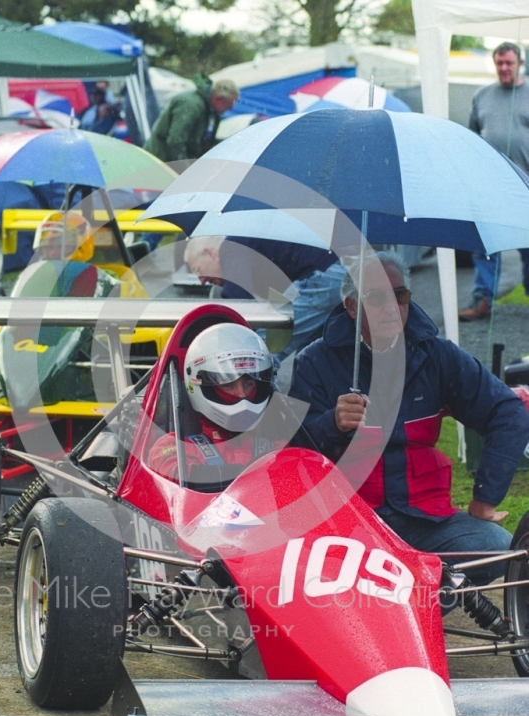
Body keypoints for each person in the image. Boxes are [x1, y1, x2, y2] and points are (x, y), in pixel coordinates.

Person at [290, 251, 529, 586]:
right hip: (346, 523)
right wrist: (331, 423)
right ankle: (408, 599)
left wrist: (485, 496)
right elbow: (289, 453)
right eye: (376, 297)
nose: (391, 307)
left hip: (425, 519)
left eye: (399, 295)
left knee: (496, 548)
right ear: (351, 307)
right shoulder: (313, 362)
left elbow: (508, 411)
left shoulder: (437, 354)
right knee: (301, 569)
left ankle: (418, 604)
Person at [184, 235, 345, 366]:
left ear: (210, 253)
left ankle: (264, 402)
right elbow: (272, 300)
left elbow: (238, 303)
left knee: (259, 350)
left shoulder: (230, 247)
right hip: (336, 273)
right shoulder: (249, 249)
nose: (201, 280)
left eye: (198, 270)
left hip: (323, 278)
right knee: (312, 357)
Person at [148, 323, 276, 482]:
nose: (242, 394)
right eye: (228, 385)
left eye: (249, 384)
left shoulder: (276, 447)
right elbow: (178, 476)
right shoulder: (175, 448)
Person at [459, 42, 529, 321]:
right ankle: (482, 300)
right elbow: (473, 135)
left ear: (520, 64)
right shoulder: (482, 96)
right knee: (486, 245)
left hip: (526, 186)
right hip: (491, 186)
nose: (503, 68)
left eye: (509, 63)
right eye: (499, 63)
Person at [144, 74, 239, 167]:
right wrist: (186, 170)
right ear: (219, 99)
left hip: (174, 163)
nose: (231, 108)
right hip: (159, 161)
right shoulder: (190, 105)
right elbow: (175, 141)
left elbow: (202, 142)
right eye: (230, 104)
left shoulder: (212, 113)